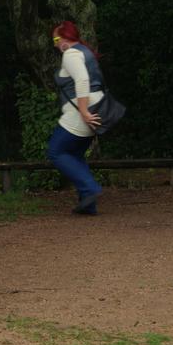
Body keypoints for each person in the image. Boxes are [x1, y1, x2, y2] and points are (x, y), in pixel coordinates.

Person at [47, 21, 104, 215]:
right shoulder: (86, 52)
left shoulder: (71, 54)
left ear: (66, 38)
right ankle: (88, 204)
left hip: (80, 114)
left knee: (56, 151)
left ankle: (90, 189)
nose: (55, 44)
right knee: (75, 155)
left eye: (56, 39)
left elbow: (82, 80)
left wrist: (84, 111)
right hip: (97, 109)